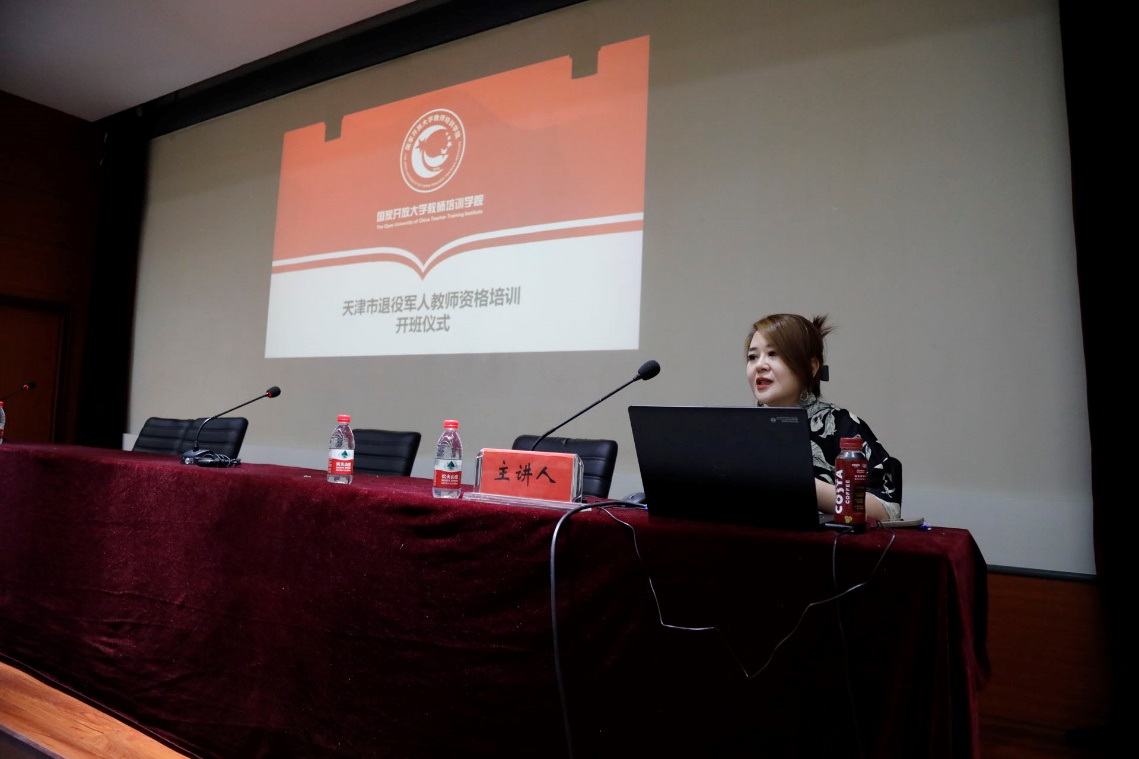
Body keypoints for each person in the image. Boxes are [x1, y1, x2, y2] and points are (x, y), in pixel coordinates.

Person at [746, 313, 902, 522]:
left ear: (811, 367)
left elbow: (888, 511)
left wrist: (802, 485)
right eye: (752, 357)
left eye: (773, 354)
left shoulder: (841, 425)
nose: (760, 365)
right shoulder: (742, 429)